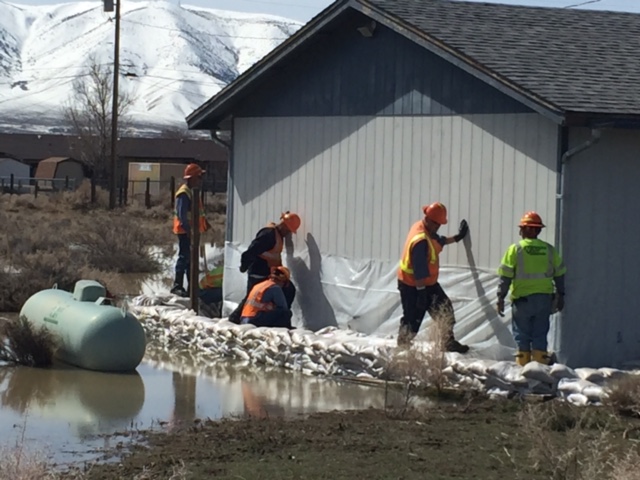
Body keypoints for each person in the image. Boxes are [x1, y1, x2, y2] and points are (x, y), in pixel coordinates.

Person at [397, 202, 470, 352]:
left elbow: (438, 241)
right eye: (436, 223)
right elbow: (419, 269)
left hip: (427, 283)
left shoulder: (425, 229)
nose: (438, 227)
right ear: (428, 219)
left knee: (445, 310)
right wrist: (422, 294)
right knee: (412, 317)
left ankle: (447, 342)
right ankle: (403, 346)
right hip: (412, 285)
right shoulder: (420, 240)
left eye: (440, 224)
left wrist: (457, 237)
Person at [496, 211, 566, 366]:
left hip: (522, 301)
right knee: (540, 335)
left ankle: (523, 370)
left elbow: (505, 276)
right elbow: (560, 273)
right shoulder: (549, 250)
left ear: (524, 229)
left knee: (522, 336)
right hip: (544, 300)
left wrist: (500, 297)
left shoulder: (515, 249)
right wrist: (561, 295)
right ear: (538, 230)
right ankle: (539, 372)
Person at [228, 211, 301, 323]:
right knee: (252, 297)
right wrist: (244, 267)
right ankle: (235, 319)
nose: (288, 234)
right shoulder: (268, 234)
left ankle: (277, 319)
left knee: (288, 289)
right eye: (289, 231)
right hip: (259, 272)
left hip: (269, 273)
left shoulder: (277, 235)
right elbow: (250, 252)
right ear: (284, 226)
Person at [171, 163, 211, 297]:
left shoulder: (193, 192)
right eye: (199, 177)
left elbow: (197, 213)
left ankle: (191, 287)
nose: (200, 180)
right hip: (185, 231)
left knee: (190, 260)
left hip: (192, 231)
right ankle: (177, 286)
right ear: (191, 178)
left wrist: (206, 224)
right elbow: (182, 215)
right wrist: (189, 231)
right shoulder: (184, 193)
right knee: (184, 258)